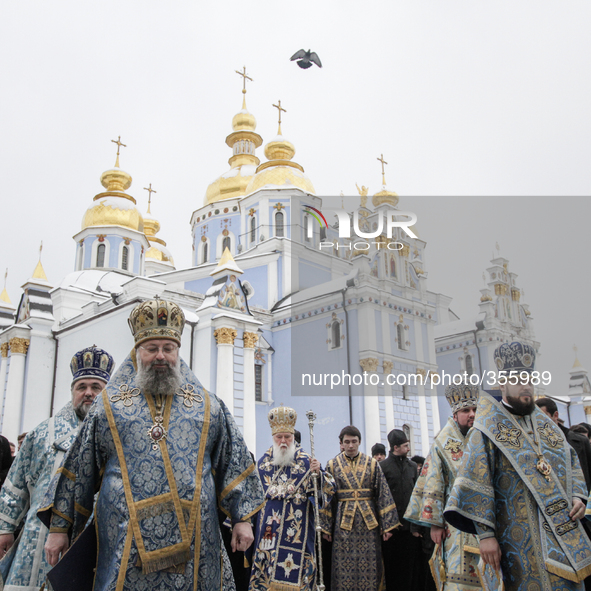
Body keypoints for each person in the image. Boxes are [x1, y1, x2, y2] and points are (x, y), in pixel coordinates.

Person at [39, 298, 264, 591]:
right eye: (152, 349)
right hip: (124, 535)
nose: (161, 356)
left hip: (197, 539)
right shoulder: (109, 406)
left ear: (177, 353)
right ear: (137, 352)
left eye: (168, 349)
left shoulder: (208, 406)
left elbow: (232, 461)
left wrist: (242, 519)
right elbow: (80, 467)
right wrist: (59, 528)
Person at [445, 342, 591, 591]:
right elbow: (476, 483)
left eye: (529, 379)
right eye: (518, 379)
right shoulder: (486, 429)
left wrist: (578, 496)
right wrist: (486, 536)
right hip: (517, 538)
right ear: (503, 385)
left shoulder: (547, 424)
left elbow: (571, 463)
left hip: (561, 534)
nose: (526, 385)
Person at [0, 345, 114, 591]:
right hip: (38, 538)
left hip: (94, 539)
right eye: (81, 387)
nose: (88, 393)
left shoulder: (116, 435)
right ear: (72, 391)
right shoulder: (44, 432)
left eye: (96, 388)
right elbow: (16, 483)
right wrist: (4, 528)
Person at [406, 382, 482, 591]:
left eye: (475, 409)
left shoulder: (483, 438)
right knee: (459, 576)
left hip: (486, 520)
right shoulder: (442, 442)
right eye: (466, 410)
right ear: (456, 414)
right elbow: (433, 481)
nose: (472, 414)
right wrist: (436, 523)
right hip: (455, 522)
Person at [248, 406, 334, 590]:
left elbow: (328, 491)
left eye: (288, 437)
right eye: (279, 437)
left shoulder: (306, 461)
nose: (283, 441)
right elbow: (251, 496)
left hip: (298, 535)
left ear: (293, 438)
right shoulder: (262, 464)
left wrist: (318, 475)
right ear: (273, 438)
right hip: (267, 537)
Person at [321, 425, 398, 591]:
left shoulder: (372, 464)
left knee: (370, 562)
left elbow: (382, 493)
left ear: (360, 442)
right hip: (343, 524)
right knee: (343, 563)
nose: (350, 445)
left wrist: (387, 525)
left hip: (368, 524)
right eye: (347, 442)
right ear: (341, 443)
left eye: (354, 441)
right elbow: (327, 497)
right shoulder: (332, 465)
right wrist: (326, 527)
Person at [380, 429, 419, 591]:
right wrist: (384, 526)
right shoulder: (383, 467)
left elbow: (417, 496)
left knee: (409, 571)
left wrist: (416, 527)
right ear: (395, 447)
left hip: (409, 529)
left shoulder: (412, 466)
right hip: (391, 530)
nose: (408, 449)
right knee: (391, 571)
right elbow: (379, 498)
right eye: (405, 445)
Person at [536, 397, 591, 493]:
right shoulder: (535, 443)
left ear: (555, 415)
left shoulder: (580, 441)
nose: (539, 421)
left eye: (543, 416)